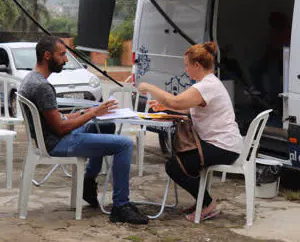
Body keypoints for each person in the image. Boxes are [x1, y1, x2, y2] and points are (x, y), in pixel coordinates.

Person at [19, 35, 149, 225]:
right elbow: (61, 128)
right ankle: (121, 206)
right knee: (125, 144)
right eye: (62, 55)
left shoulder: (31, 79)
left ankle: (88, 182)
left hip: (52, 137)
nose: (65, 60)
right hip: (58, 143)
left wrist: (83, 112)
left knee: (106, 125)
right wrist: (93, 112)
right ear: (47, 56)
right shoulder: (42, 86)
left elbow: (57, 118)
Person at [138, 41, 243, 222]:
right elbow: (188, 107)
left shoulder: (206, 86)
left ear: (197, 65)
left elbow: (177, 102)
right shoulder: (210, 83)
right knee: (182, 161)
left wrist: (149, 87)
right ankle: (202, 200)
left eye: (187, 66)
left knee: (174, 166)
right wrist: (165, 106)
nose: (186, 70)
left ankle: (207, 203)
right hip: (223, 144)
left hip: (223, 147)